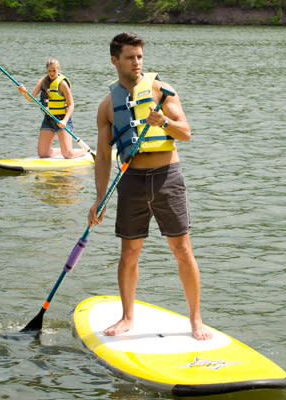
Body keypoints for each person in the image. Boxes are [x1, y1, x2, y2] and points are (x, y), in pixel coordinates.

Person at [88, 32, 213, 341]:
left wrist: (164, 124)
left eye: (140, 56)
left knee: (182, 249)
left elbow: (186, 132)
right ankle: (127, 317)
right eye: (130, 57)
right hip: (130, 180)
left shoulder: (161, 90)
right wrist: (99, 198)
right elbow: (103, 157)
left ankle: (196, 320)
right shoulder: (107, 106)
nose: (137, 62)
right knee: (129, 252)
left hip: (166, 175)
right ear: (115, 61)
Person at [18, 58, 86, 159]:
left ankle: (83, 151)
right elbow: (30, 98)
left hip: (63, 120)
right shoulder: (43, 81)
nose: (51, 73)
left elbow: (71, 105)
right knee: (43, 154)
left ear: (58, 69)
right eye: (49, 71)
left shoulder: (62, 84)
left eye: (54, 70)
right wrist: (24, 91)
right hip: (48, 119)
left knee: (68, 155)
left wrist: (65, 121)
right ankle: (62, 150)